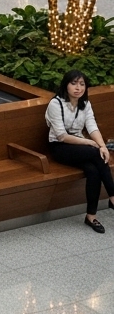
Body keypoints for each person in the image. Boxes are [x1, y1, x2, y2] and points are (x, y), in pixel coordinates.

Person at [47, 70, 114, 233]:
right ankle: (113, 197)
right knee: (94, 152)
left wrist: (103, 146)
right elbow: (62, 136)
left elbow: (92, 127)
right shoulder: (56, 104)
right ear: (66, 85)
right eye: (74, 83)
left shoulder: (86, 104)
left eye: (82, 84)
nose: (78, 88)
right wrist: (92, 144)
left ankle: (91, 216)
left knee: (93, 171)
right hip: (59, 147)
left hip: (81, 148)